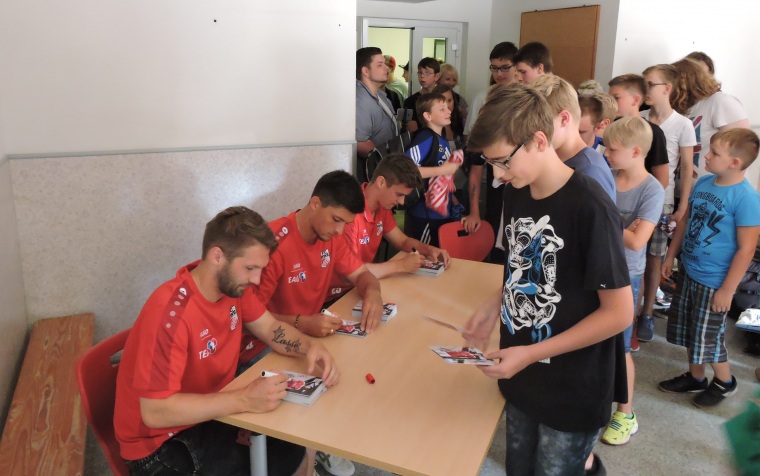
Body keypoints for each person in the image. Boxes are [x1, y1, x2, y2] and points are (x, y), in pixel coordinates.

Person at [465, 83, 631, 476]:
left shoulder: (589, 205)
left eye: (502, 161)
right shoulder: (519, 189)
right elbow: (520, 267)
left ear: (540, 141)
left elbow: (619, 313)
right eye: (490, 164)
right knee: (519, 467)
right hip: (523, 371)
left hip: (572, 385)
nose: (498, 175)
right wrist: (494, 307)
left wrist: (530, 353)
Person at [114, 206, 339, 476]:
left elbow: (270, 328)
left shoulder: (233, 288)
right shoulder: (171, 313)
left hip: (207, 413)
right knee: (281, 459)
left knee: (294, 446)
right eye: (250, 268)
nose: (256, 279)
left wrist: (310, 346)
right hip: (159, 445)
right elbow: (155, 412)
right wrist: (243, 400)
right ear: (217, 256)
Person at [239, 171, 383, 476]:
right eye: (336, 220)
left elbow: (364, 275)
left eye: (346, 223)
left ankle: (319, 449)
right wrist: (302, 323)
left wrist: (373, 294)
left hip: (309, 333)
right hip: (262, 347)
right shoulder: (273, 243)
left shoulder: (332, 236)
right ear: (315, 204)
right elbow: (251, 316)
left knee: (351, 368)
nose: (340, 230)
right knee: (323, 384)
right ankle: (309, 455)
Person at [659, 128, 760, 407]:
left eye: (715, 153)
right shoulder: (704, 183)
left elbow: (746, 248)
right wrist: (670, 256)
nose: (706, 156)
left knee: (710, 337)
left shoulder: (746, 198)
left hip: (715, 281)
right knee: (693, 330)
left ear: (734, 163)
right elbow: (685, 223)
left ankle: (725, 382)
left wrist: (727, 290)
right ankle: (696, 377)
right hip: (690, 271)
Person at [600, 117, 665, 445]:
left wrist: (601, 220)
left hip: (627, 277)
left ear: (637, 151)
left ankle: (625, 414)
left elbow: (639, 241)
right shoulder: (607, 176)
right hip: (598, 270)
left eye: (613, 149)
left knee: (621, 347)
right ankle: (598, 402)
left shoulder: (652, 189)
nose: (606, 153)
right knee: (597, 342)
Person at [326, 154, 451, 300]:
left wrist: (429, 249)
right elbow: (351, 272)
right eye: (399, 194)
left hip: (364, 285)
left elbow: (402, 241)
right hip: (338, 295)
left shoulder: (382, 208)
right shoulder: (349, 214)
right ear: (381, 182)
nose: (402, 202)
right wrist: (400, 266)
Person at [636, 64, 698, 344]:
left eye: (650, 84)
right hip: (632, 195)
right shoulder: (637, 119)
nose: (645, 89)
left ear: (667, 89)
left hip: (660, 198)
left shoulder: (682, 124)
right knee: (631, 255)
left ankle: (647, 313)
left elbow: (686, 168)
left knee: (653, 257)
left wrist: (682, 205)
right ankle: (630, 309)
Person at [461, 41, 518, 248]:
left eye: (505, 67)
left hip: (524, 185)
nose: (499, 74)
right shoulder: (483, 99)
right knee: (496, 243)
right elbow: (475, 160)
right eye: (494, 68)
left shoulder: (527, 101)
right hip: (496, 185)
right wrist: (474, 210)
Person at [531, 74, 616, 202]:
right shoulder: (549, 157)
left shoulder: (590, 171)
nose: (533, 131)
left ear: (564, 119)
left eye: (540, 123)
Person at [671, 57, 750, 179]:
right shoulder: (683, 108)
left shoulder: (719, 101)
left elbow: (744, 148)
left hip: (717, 192)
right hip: (688, 192)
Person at [404, 92, 462, 246]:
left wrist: (454, 201)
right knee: (425, 259)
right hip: (424, 215)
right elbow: (406, 169)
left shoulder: (441, 140)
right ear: (428, 116)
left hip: (440, 213)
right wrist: (443, 170)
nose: (449, 111)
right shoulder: (426, 137)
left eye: (448, 107)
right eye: (441, 109)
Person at [356, 47, 397, 183]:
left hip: (387, 170)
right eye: (379, 65)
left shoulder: (381, 95)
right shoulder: (360, 100)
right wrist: (387, 163)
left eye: (384, 64)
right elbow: (361, 144)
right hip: (374, 175)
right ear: (365, 71)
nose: (386, 68)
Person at [403, 57, 440, 133]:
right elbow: (411, 129)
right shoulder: (410, 101)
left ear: (436, 76)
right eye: (420, 72)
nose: (422, 76)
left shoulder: (442, 98)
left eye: (427, 72)